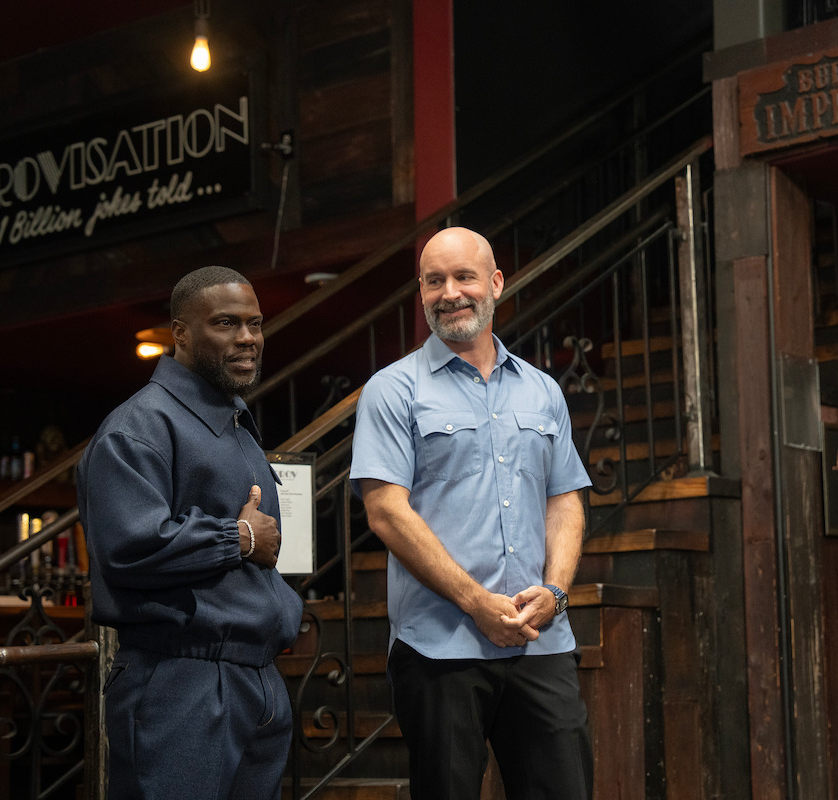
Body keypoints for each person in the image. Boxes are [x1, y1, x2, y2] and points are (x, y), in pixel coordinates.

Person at [350, 226, 594, 799]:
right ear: (421, 291)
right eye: (435, 281)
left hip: (541, 641)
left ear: (495, 283)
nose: (450, 292)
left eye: (463, 277)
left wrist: (555, 592)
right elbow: (385, 511)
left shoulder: (542, 391)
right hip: (440, 648)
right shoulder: (392, 390)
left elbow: (566, 499)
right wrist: (475, 602)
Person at [76, 266, 304, 800]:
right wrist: (239, 539)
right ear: (180, 333)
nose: (247, 339)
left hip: (256, 681)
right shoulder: (139, 427)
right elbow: (130, 547)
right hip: (181, 684)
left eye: (255, 324)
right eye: (226, 324)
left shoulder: (235, 423)